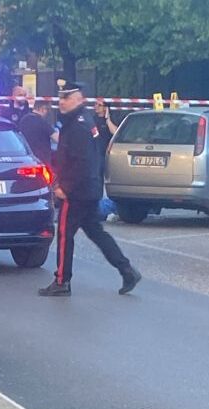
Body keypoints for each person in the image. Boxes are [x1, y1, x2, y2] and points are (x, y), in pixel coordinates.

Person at [39, 81, 141, 298]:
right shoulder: (83, 120)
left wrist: (65, 188)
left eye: (67, 98)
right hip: (90, 188)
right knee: (96, 232)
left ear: (78, 99)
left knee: (65, 235)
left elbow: (82, 162)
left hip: (76, 192)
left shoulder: (77, 126)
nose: (62, 102)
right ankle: (127, 270)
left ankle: (62, 281)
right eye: (61, 98)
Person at [18, 100, 57, 165]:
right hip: (42, 158)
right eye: (47, 109)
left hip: (28, 157)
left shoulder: (23, 119)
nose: (47, 112)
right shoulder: (42, 122)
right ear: (42, 109)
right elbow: (56, 138)